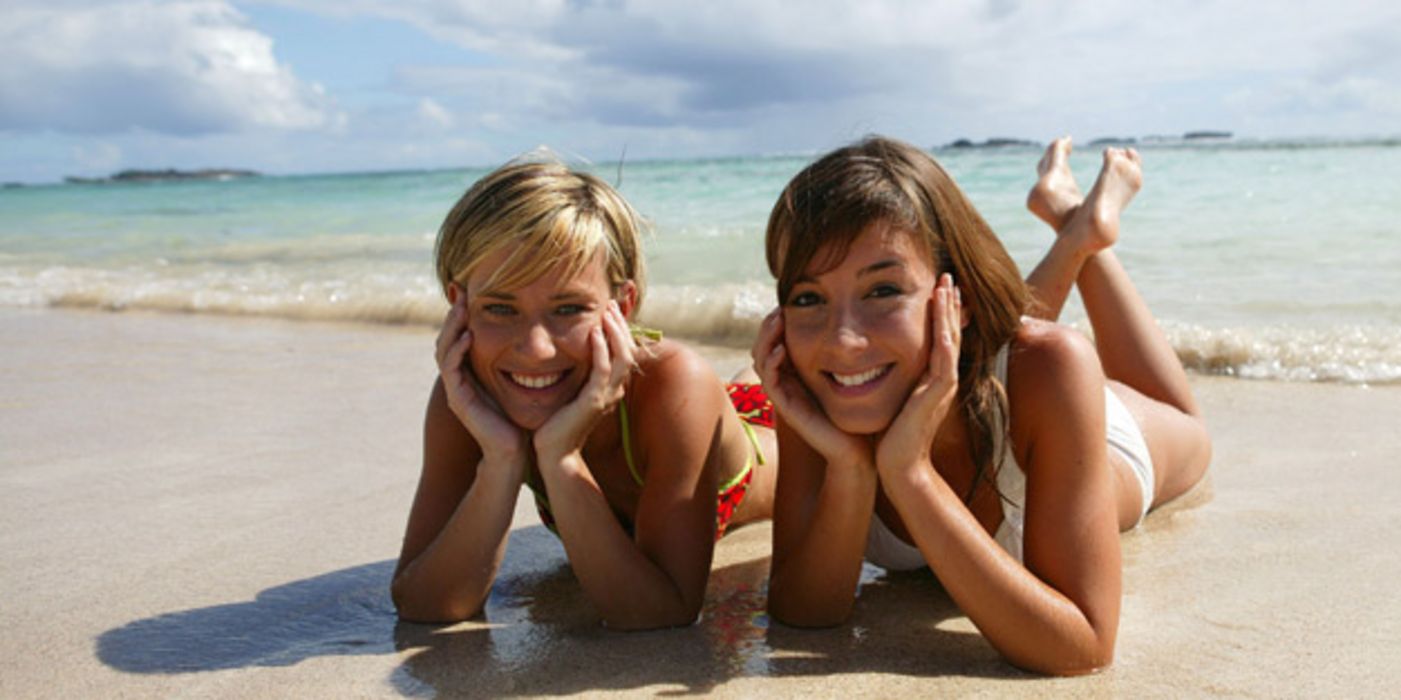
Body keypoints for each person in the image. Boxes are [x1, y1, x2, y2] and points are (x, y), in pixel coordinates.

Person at [753, 136, 1211, 674]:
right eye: (808, 298)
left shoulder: (1053, 368)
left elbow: (1081, 647)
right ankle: (1076, 229)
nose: (843, 341)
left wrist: (911, 474)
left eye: (882, 291)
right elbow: (806, 612)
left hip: (1084, 429)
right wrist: (851, 468)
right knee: (990, 339)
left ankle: (1088, 235)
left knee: (1187, 428)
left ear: (958, 295)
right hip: (969, 371)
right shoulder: (817, 381)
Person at [392, 158, 776, 630]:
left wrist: (560, 459)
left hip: (755, 438)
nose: (535, 348)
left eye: (568, 308)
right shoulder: (470, 394)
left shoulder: (674, 385)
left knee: (756, 396)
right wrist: (501, 460)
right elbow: (425, 604)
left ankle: (750, 382)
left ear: (624, 306)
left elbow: (664, 611)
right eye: (499, 308)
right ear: (459, 306)